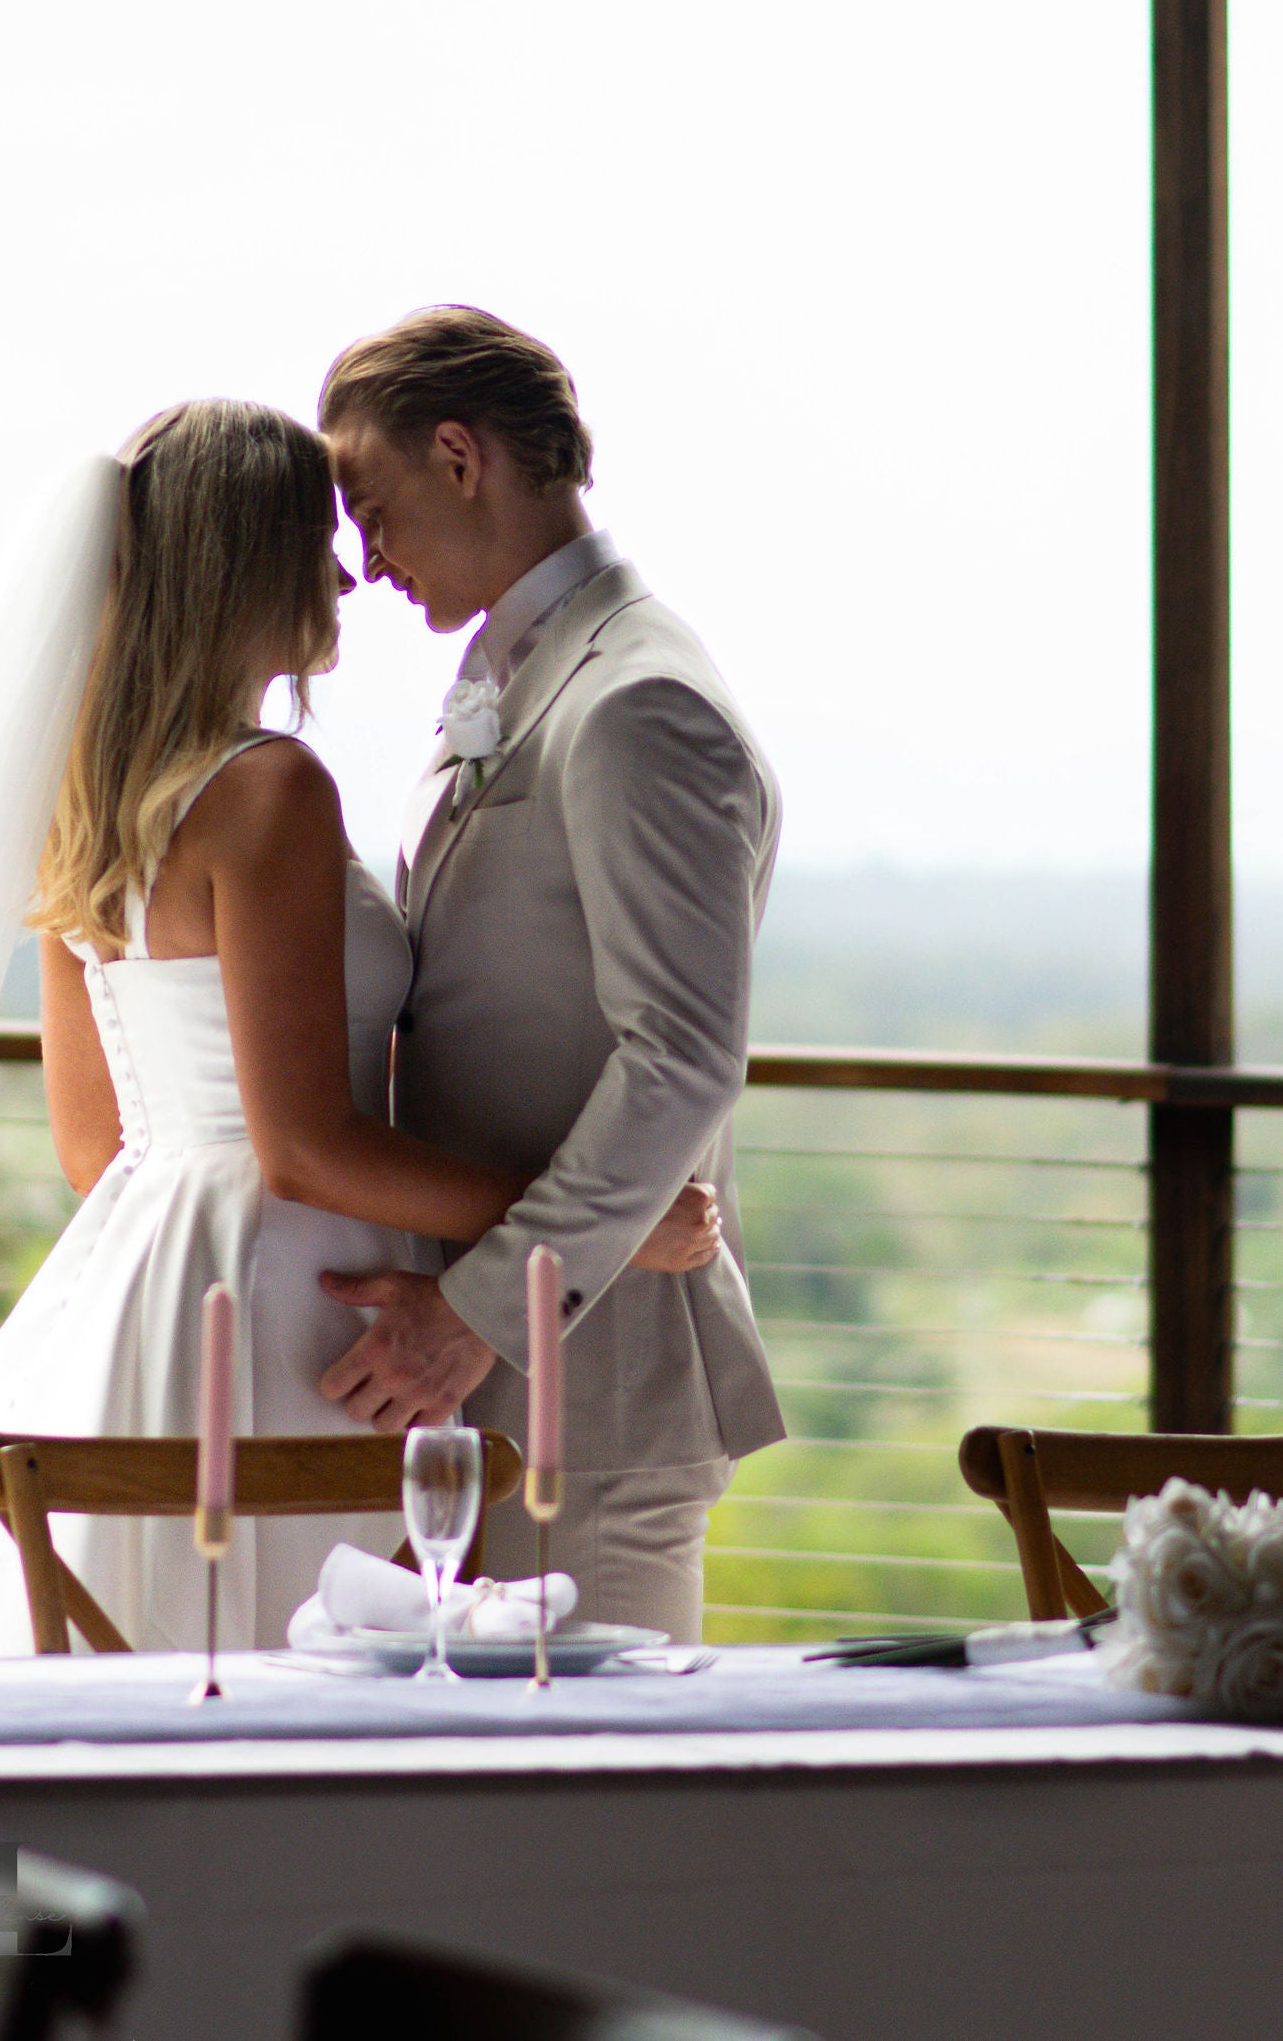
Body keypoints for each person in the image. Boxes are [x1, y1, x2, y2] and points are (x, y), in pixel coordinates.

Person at [0, 400, 715, 1660]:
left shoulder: (87, 793)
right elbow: (303, 1148)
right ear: (245, 564)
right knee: (323, 1661)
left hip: (149, 1281)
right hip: (294, 1297)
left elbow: (92, 1145)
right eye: (315, 542)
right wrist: (594, 1227)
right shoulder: (269, 787)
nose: (346, 572)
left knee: (164, 1644)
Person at [316, 308, 786, 1644]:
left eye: (372, 507)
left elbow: (681, 1059)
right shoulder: (521, 670)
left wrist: (477, 1311)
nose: (364, 560)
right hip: (497, 1384)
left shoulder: (639, 698)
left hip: (599, 1386)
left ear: (460, 456)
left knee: (592, 1767)